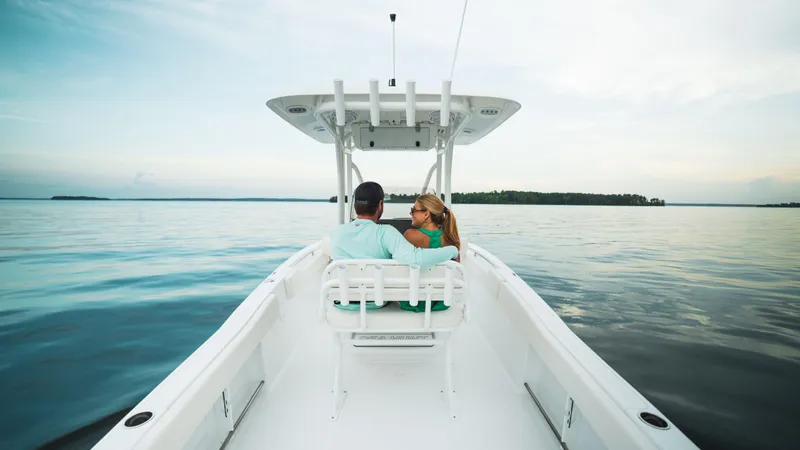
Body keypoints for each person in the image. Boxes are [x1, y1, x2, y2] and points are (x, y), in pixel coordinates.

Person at [330, 182, 460, 311]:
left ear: (355, 205)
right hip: (375, 302)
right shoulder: (386, 233)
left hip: (342, 301)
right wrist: (453, 250)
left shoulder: (336, 233)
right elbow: (415, 258)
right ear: (380, 205)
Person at [400, 193, 461, 312]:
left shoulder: (410, 236)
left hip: (412, 301)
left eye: (414, 210)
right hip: (442, 302)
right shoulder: (451, 238)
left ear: (426, 214)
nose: (411, 213)